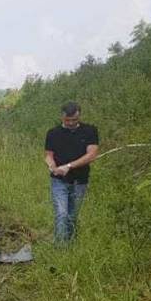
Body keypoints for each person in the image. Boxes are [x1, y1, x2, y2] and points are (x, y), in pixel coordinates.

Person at [44, 101, 99, 243]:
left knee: (72, 216)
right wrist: (51, 165)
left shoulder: (90, 131)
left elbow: (91, 155)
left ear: (79, 116)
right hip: (59, 181)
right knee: (62, 214)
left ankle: (71, 245)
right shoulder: (53, 133)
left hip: (80, 181)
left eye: (74, 120)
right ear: (62, 117)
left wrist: (68, 166)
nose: (71, 123)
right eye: (67, 120)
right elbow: (48, 154)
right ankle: (61, 249)